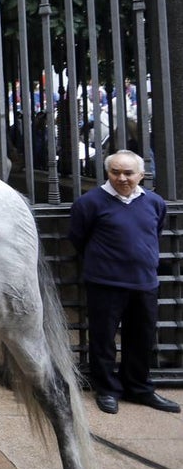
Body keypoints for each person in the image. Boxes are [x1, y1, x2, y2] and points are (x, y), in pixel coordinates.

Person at [69, 150, 179, 415]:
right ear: (107, 173)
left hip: (144, 283)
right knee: (104, 338)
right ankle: (107, 390)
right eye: (115, 172)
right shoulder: (90, 202)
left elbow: (156, 231)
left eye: (129, 173)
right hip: (105, 282)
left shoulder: (153, 202)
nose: (122, 178)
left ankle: (139, 388)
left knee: (141, 338)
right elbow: (78, 238)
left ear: (141, 175)